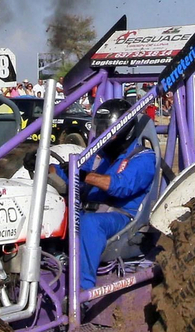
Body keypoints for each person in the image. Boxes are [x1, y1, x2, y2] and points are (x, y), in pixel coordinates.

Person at [61, 99, 157, 292]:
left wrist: (86, 177)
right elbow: (70, 171)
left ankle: (82, 292)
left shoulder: (143, 157)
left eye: (108, 129)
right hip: (88, 211)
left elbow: (121, 186)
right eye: (100, 128)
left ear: (123, 130)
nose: (103, 134)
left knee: (90, 223)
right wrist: (43, 168)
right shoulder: (99, 155)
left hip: (122, 218)